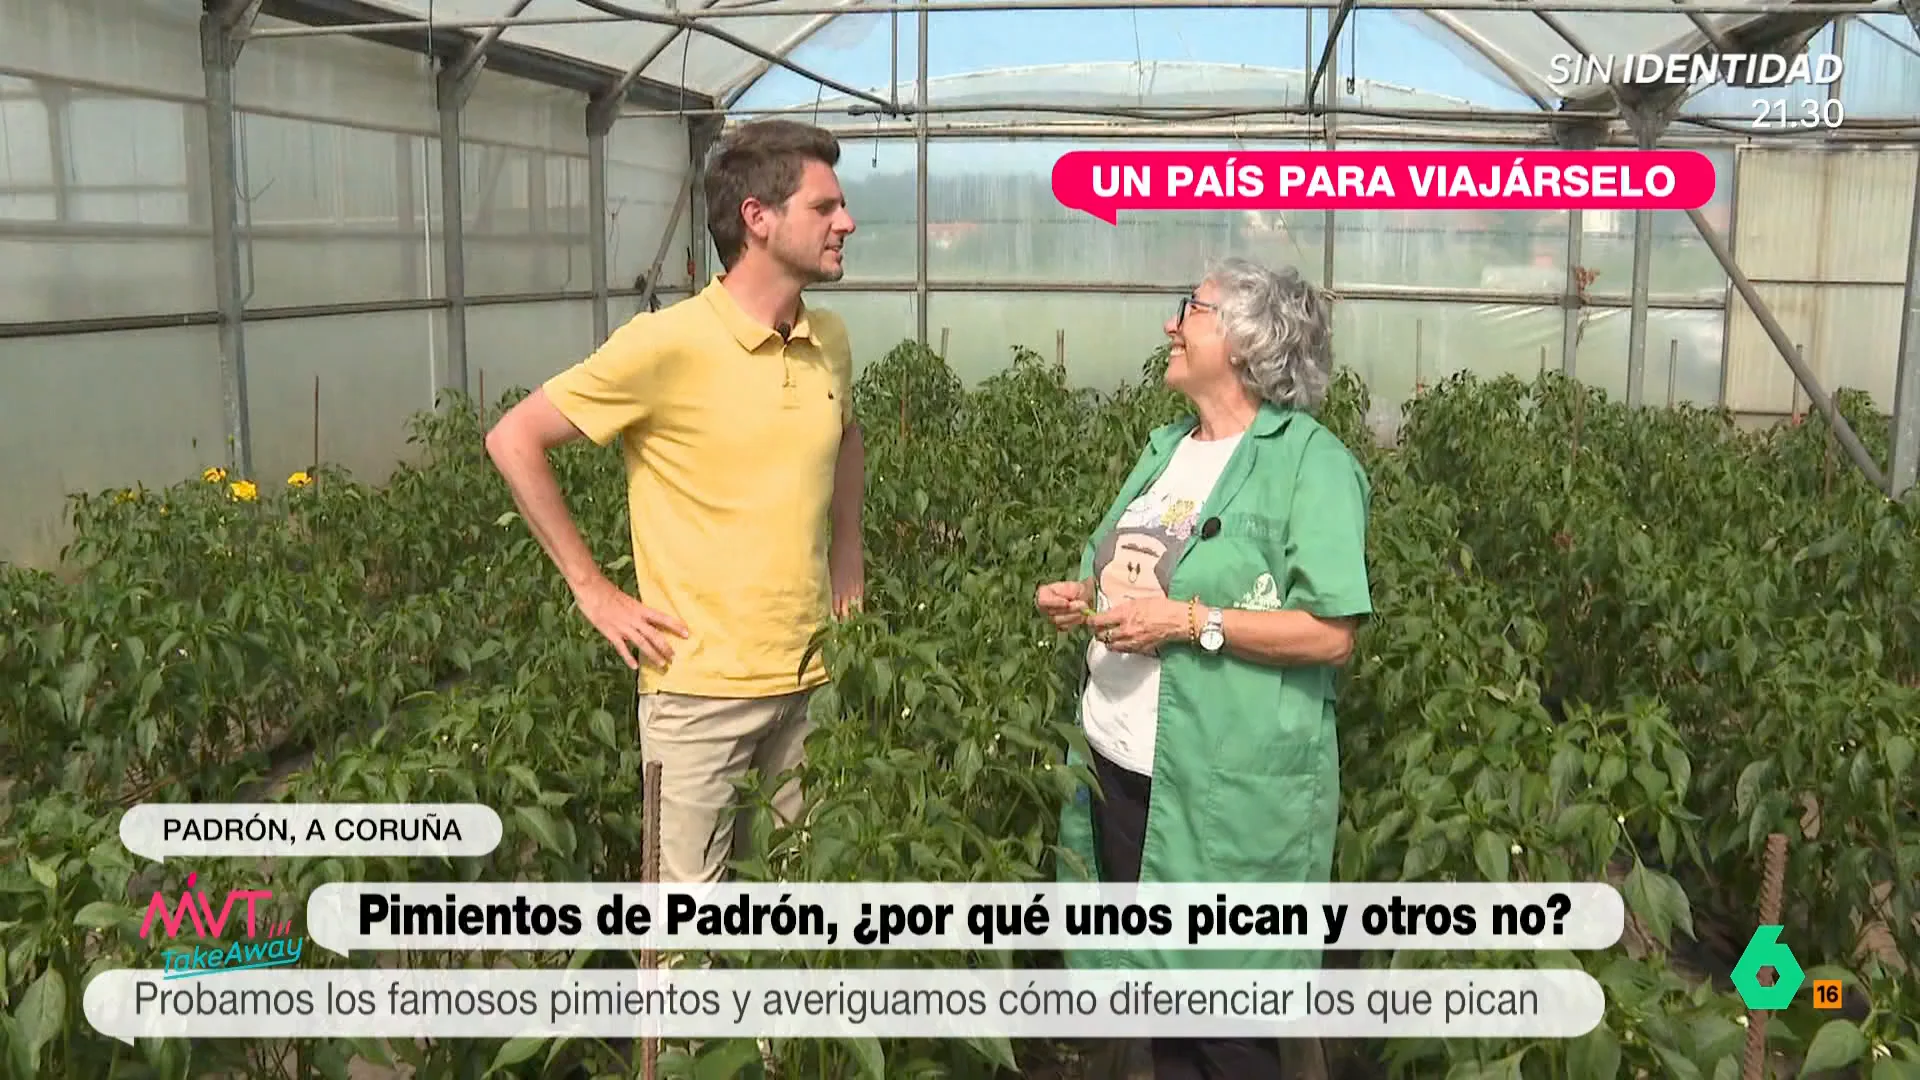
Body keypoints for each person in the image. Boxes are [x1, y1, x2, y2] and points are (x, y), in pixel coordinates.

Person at [484, 118, 864, 886]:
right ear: (757, 219)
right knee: (685, 935)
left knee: (798, 910)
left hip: (812, 677)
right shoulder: (667, 344)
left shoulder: (830, 337)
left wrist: (848, 554)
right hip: (698, 694)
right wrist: (593, 590)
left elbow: (847, 436)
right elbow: (513, 438)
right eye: (825, 208)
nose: (846, 222)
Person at [1034, 257, 1373, 1080]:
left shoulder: (1308, 461)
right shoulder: (1165, 451)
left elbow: (1333, 631)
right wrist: (1082, 595)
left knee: (1226, 1019)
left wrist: (1190, 622)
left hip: (1224, 783)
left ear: (1247, 336)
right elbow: (1136, 573)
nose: (1170, 325)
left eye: (1189, 308)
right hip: (1123, 765)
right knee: (1162, 1008)